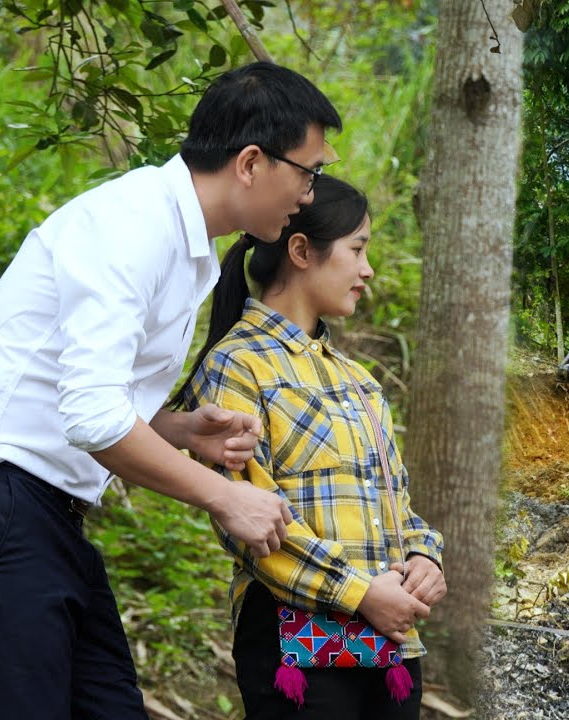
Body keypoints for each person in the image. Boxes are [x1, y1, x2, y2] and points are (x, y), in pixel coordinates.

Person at [0, 62, 341, 719]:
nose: (308, 195)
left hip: (41, 514)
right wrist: (225, 497)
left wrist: (178, 429)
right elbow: (93, 418)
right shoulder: (132, 226)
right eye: (308, 172)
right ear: (251, 163)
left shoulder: (178, 242)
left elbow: (86, 396)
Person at [172, 176, 445, 719]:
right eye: (358, 249)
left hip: (390, 647)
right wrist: (362, 594)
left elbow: (397, 505)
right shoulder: (238, 365)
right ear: (301, 251)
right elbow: (249, 521)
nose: (367, 270)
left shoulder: (360, 382)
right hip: (297, 648)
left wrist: (423, 556)